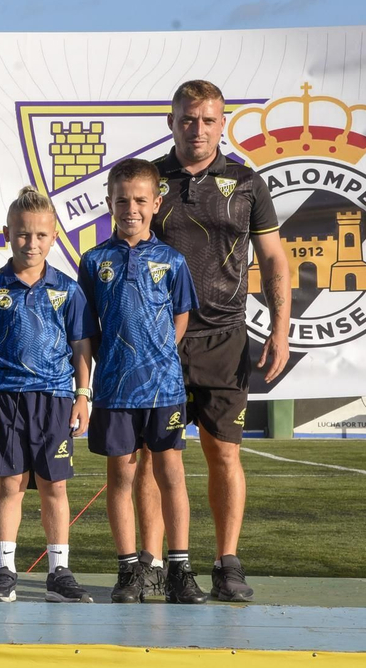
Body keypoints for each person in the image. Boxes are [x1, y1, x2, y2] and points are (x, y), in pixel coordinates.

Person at [147, 79, 290, 602]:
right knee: (154, 456)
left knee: (223, 454)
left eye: (208, 120)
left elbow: (274, 258)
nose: (198, 129)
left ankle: (227, 563)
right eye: (188, 118)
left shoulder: (247, 182)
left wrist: (279, 328)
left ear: (222, 123)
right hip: (156, 341)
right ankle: (154, 564)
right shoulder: (149, 181)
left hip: (225, 338)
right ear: (171, 121)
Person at [78, 158, 206, 605]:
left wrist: (156, 358)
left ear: (156, 202)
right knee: (121, 476)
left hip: (164, 388)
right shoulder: (94, 261)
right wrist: (107, 368)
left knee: (171, 474)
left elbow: (181, 315)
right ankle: (129, 569)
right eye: (121, 200)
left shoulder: (171, 259)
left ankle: (178, 568)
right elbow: (86, 326)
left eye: (138, 200)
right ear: (109, 204)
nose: (130, 208)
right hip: (114, 388)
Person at [0, 188, 94, 603]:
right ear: (8, 234)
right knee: (10, 486)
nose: (32, 243)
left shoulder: (68, 289)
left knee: (54, 486)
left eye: (41, 235)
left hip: (55, 399)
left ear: (54, 236)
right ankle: (4, 570)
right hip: (5, 398)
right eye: (23, 234)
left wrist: (81, 395)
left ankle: (59, 571)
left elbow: (80, 346)